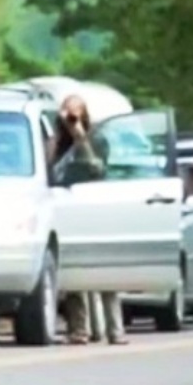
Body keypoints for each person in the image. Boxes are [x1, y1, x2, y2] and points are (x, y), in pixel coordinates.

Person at [48, 94, 126, 345]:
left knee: (105, 270)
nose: (72, 118)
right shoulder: (57, 141)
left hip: (96, 206)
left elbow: (98, 168)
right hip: (69, 207)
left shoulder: (97, 139)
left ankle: (115, 329)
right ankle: (79, 329)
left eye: (76, 112)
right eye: (68, 113)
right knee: (74, 272)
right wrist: (58, 135)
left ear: (85, 114)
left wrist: (81, 136)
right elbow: (50, 169)